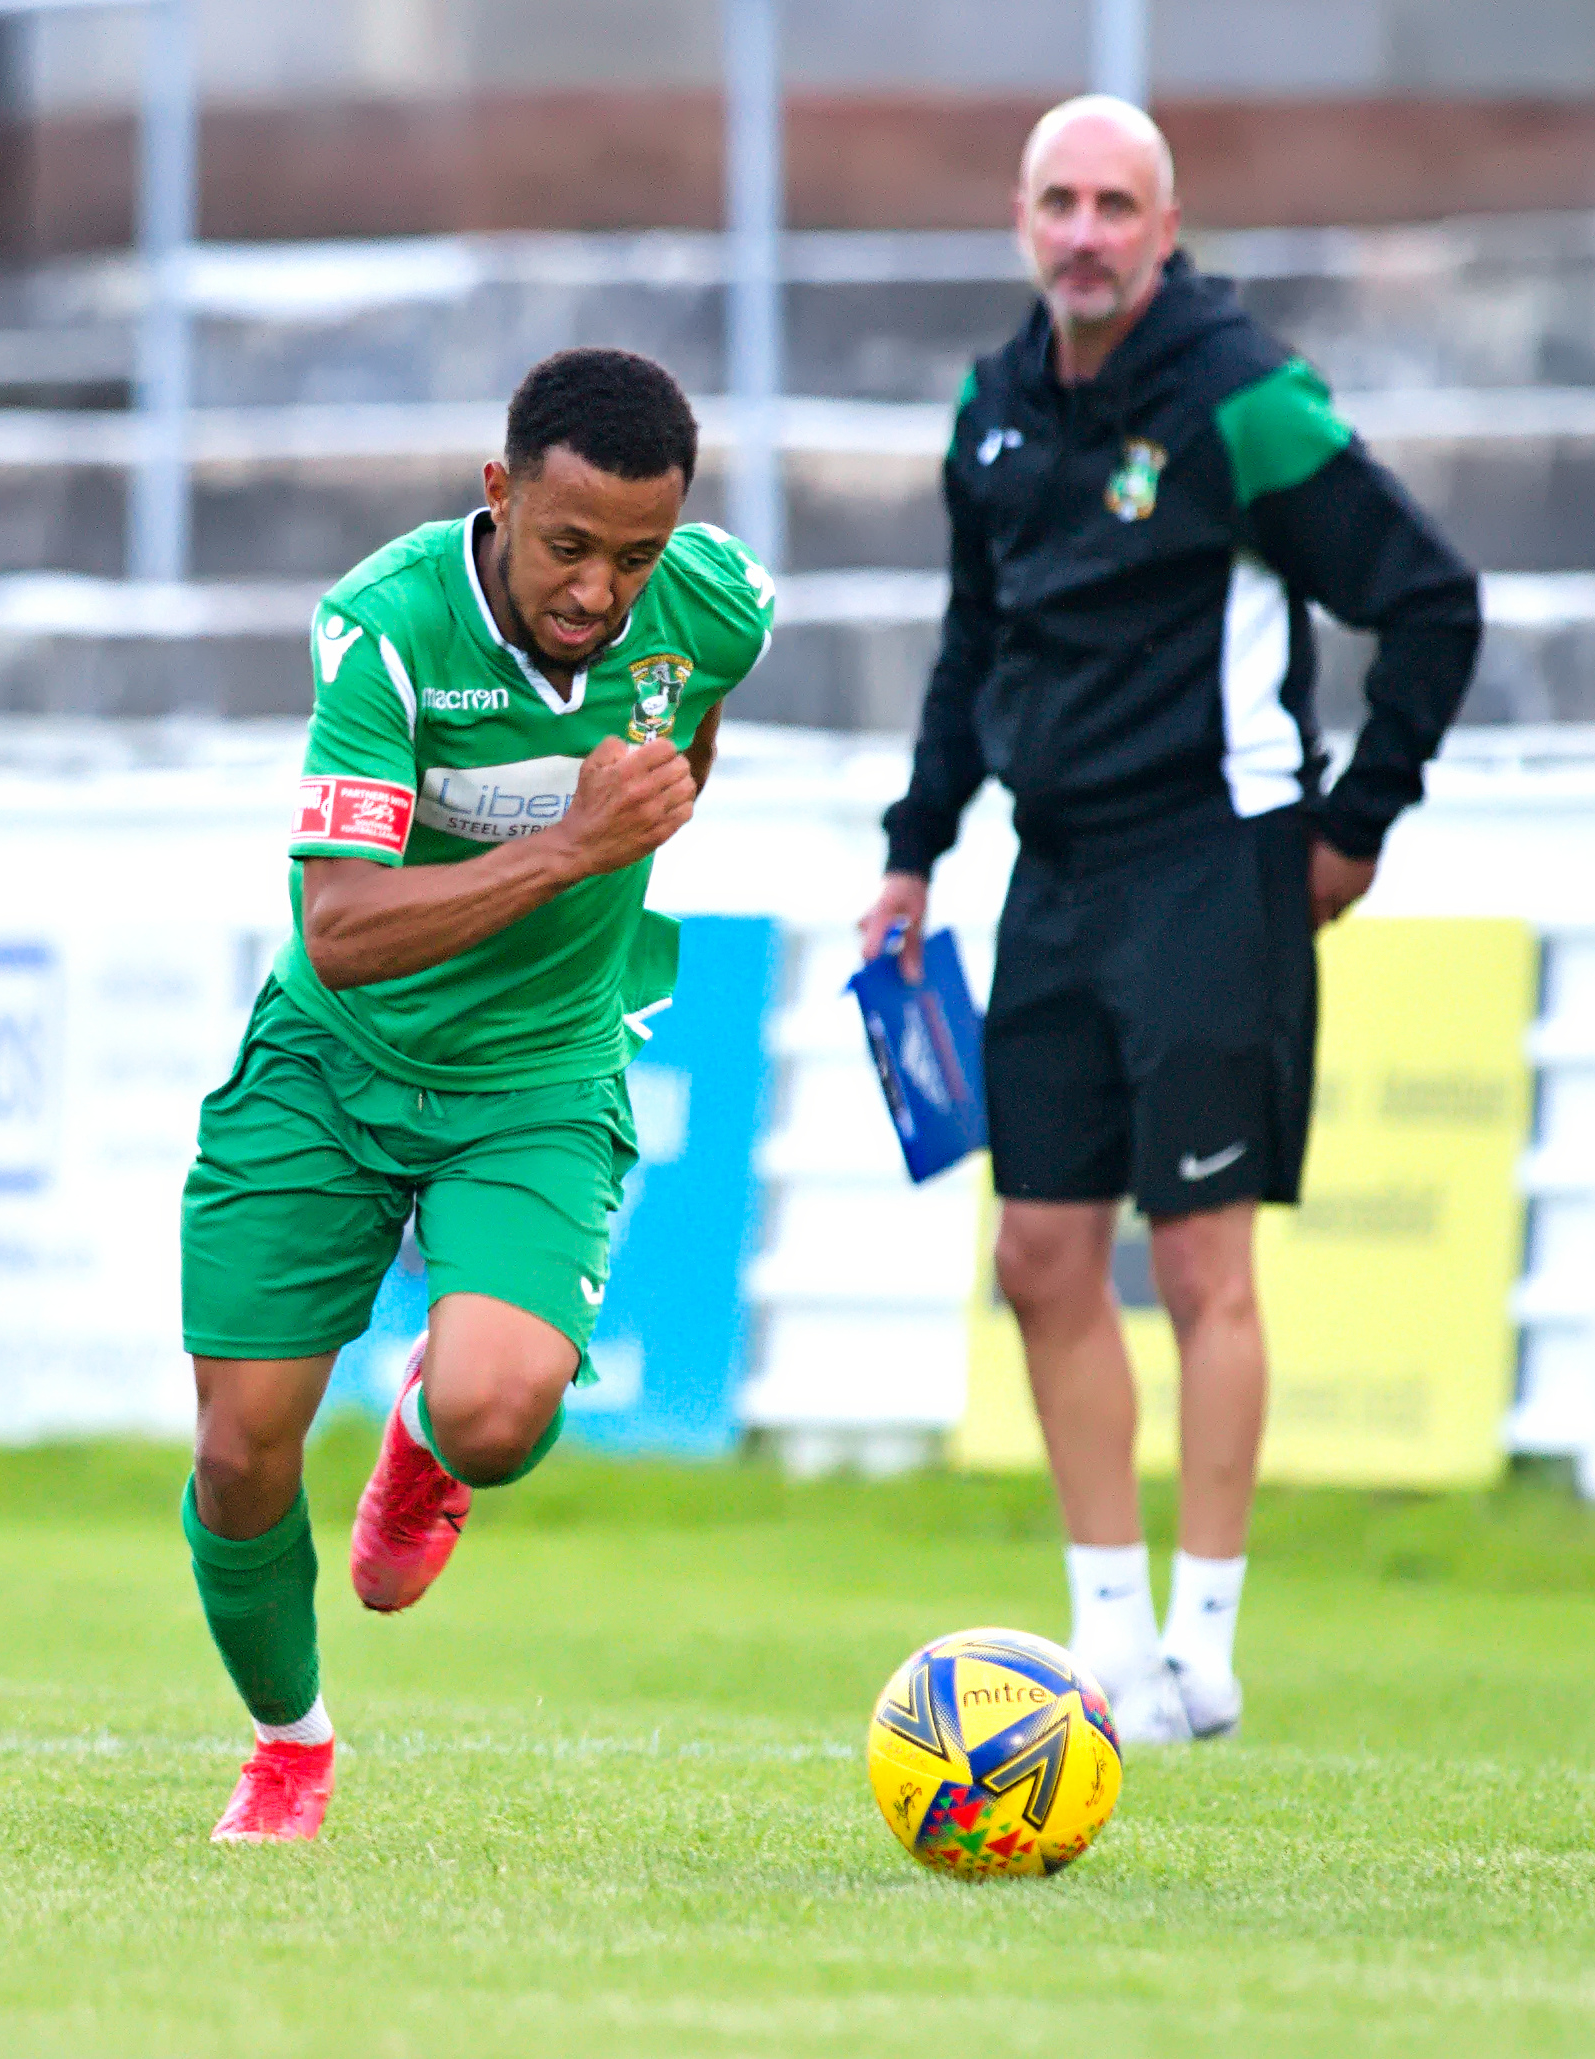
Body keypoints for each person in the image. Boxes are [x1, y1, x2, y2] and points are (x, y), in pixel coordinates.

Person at [860, 97, 1480, 1744]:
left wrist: (1353, 828)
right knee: (1037, 1253)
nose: (1081, 232)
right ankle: (1106, 1647)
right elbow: (966, 644)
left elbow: (1430, 600)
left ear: (1165, 220)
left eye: (1112, 206)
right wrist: (916, 844)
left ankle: (1204, 1648)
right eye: (1055, 202)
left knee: (1199, 1260)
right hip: (1050, 877)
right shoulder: (989, 411)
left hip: (1216, 865)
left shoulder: (1241, 403)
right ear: (1016, 218)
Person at [180, 347, 775, 1840]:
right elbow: (344, 931)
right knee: (243, 1452)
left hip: (537, 1075)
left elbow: (678, 748)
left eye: (634, 555)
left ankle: (426, 1447)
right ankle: (290, 1745)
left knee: (499, 1411)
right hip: (332, 1065)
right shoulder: (382, 634)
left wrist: (624, 829)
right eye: (569, 547)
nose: (598, 590)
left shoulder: (713, 612)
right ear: (499, 493)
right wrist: (573, 848)